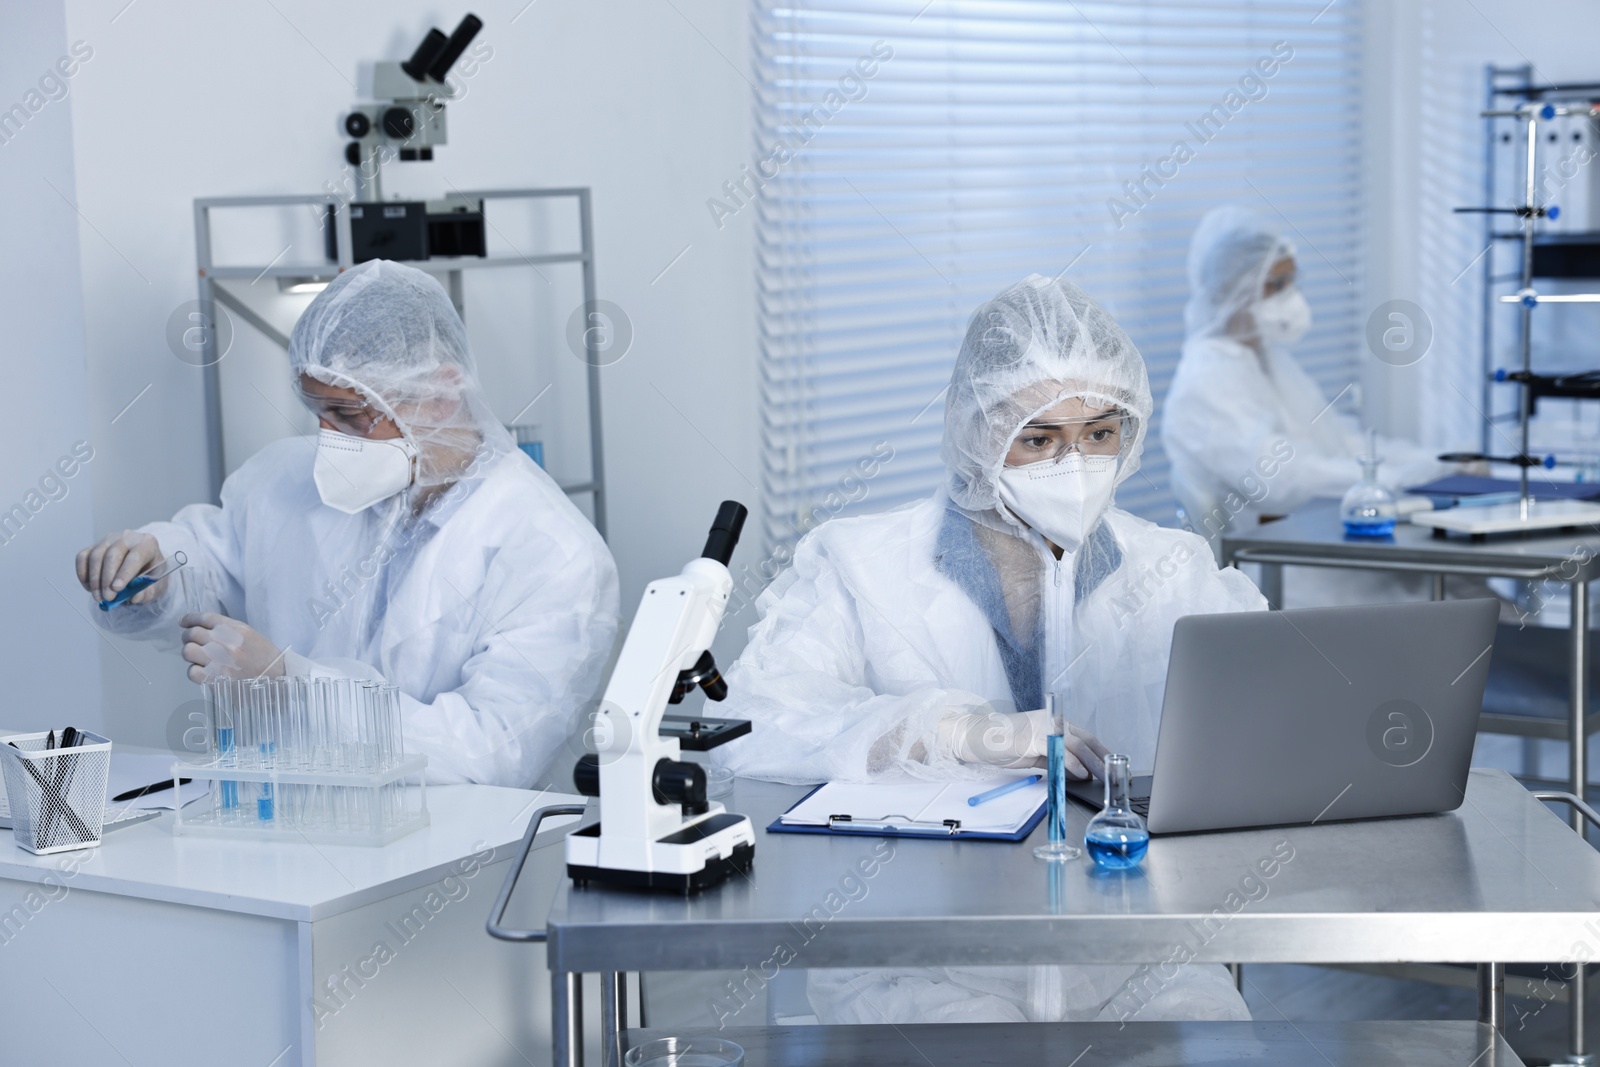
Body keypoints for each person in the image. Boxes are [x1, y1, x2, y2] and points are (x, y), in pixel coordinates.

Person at [715, 274, 1264, 1025]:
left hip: (1140, 960)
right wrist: (952, 732)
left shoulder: (1173, 568)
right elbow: (749, 724)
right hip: (917, 966)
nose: (1074, 464)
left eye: (1099, 434)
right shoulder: (860, 563)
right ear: (972, 428)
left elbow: (1277, 711)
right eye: (1038, 437)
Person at [76, 260, 619, 788]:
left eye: (351, 415)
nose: (329, 438)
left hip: (454, 857)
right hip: (281, 821)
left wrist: (296, 687)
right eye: (317, 411)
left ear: (441, 392)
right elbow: (214, 562)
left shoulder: (551, 550)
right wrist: (158, 567)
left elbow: (493, 749)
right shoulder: (286, 479)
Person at [1163, 206, 1454, 563]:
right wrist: (1389, 482)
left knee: (1469, 595)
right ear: (1232, 290)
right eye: (1276, 285)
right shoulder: (1208, 380)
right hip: (1282, 566)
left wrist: (1438, 464)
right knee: (1463, 597)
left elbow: (1335, 441)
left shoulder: (1264, 359)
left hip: (1320, 541)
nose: (1291, 296)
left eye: (1292, 282)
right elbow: (1281, 479)